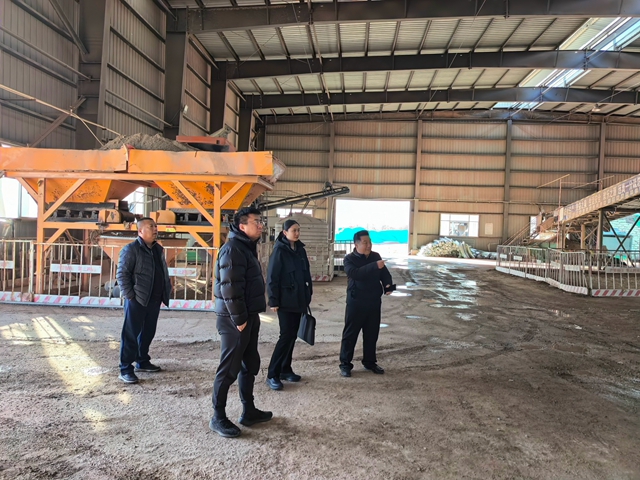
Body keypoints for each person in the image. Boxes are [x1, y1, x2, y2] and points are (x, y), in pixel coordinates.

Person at [209, 207, 273, 438]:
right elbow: (229, 287)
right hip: (234, 319)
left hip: (248, 315)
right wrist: (239, 319)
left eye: (261, 221)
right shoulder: (232, 249)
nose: (261, 225)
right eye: (257, 221)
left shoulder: (246, 247)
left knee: (249, 364)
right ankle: (218, 417)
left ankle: (249, 411)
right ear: (242, 225)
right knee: (229, 369)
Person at [116, 217, 172, 384]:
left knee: (148, 332)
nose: (155, 229)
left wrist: (166, 289)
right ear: (140, 231)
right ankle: (126, 368)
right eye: (151, 226)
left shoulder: (157, 249)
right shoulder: (131, 250)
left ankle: (142, 360)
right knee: (131, 334)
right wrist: (130, 296)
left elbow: (162, 271)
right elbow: (122, 274)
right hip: (137, 299)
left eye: (155, 226)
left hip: (154, 299)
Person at [265, 219, 313, 391]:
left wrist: (308, 294)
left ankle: (285, 369)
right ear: (285, 233)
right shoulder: (279, 250)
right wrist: (273, 300)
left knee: (292, 336)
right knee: (285, 336)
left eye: (298, 230)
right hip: (285, 301)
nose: (297, 233)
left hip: (299, 299)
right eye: (294, 230)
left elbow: (306, 273)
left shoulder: (300, 250)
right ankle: (272, 374)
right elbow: (272, 277)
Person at [339, 230, 393, 377]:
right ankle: (345, 364)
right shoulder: (349, 259)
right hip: (356, 302)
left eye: (370, 242)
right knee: (350, 334)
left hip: (373, 301)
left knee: (371, 333)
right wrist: (375, 266)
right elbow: (355, 274)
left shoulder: (375, 256)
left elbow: (384, 273)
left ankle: (370, 362)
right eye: (365, 242)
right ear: (356, 244)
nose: (369, 245)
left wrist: (388, 285)